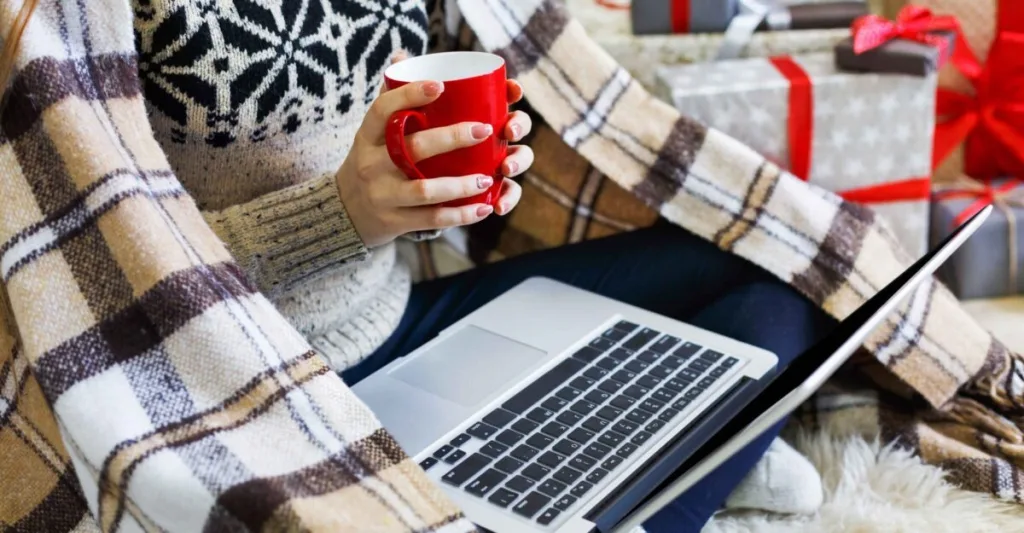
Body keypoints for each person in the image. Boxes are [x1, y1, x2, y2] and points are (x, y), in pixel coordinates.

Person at [0, 0, 829, 530]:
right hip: (228, 388)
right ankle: (678, 472)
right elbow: (77, 277)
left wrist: (482, 168)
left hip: (404, 318)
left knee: (782, 265)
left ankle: (624, 471)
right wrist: (341, 216)